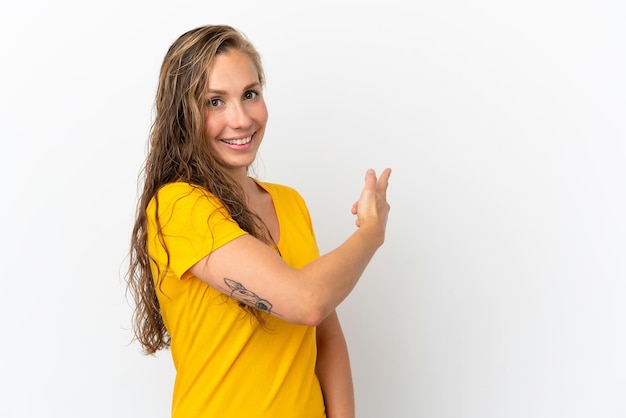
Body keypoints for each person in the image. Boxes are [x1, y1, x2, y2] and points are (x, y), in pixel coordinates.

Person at [126, 24, 391, 418]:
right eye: (215, 101)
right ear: (183, 114)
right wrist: (371, 232)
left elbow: (325, 336)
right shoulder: (177, 206)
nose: (241, 119)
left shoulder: (289, 202)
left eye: (250, 94)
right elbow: (307, 302)